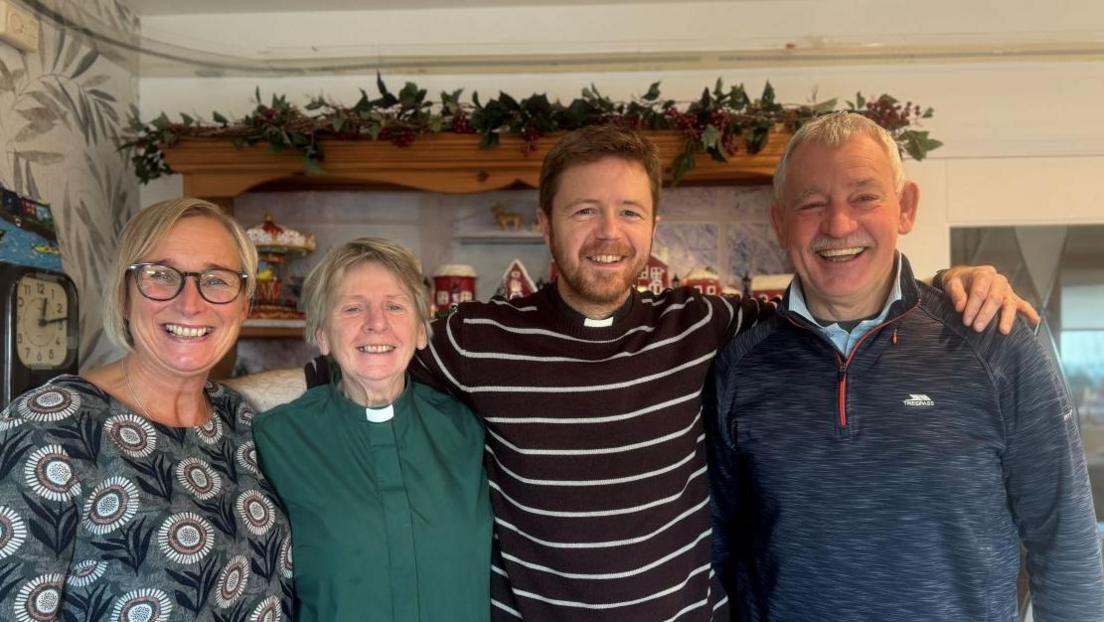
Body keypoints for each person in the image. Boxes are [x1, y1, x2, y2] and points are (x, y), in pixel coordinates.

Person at [233, 125, 1034, 622]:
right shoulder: (474, 340)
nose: (608, 235)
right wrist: (199, 397)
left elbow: (837, 294)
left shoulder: (706, 324)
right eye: (584, 212)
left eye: (630, 213)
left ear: (653, 226)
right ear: (546, 223)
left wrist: (949, 289)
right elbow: (355, 358)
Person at [708, 112, 1104, 621]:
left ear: (906, 208)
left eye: (864, 197)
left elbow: (1065, 542)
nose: (838, 225)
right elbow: (717, 554)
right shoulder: (741, 367)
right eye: (811, 203)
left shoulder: (997, 344)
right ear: (780, 221)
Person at [0, 198, 293, 621]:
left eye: (217, 279)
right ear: (123, 294)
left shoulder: (238, 419)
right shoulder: (49, 427)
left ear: (244, 303)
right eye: (160, 275)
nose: (190, 303)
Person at [252, 239, 490, 622]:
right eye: (352, 308)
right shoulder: (274, 440)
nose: (376, 323)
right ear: (322, 334)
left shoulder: (468, 431)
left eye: (395, 306)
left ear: (420, 330)